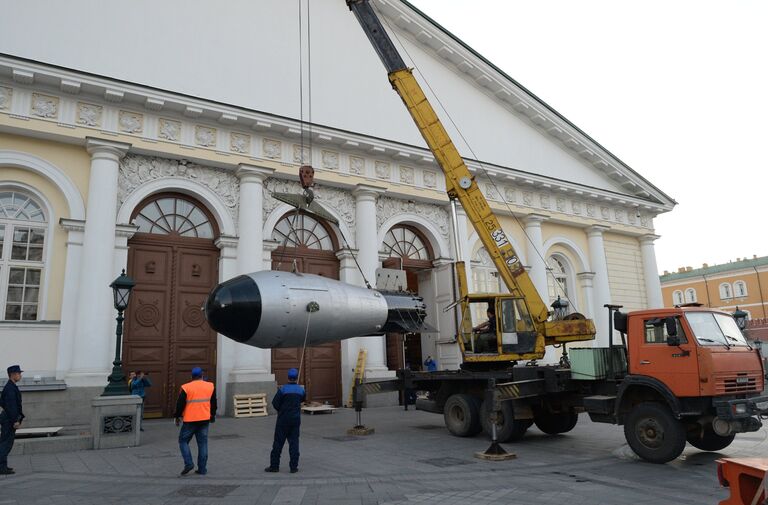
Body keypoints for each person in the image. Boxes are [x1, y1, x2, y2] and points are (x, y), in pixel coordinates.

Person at [174, 367, 216, 476]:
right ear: (202, 376)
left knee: (183, 441)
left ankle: (188, 463)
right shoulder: (210, 386)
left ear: (191, 377)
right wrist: (213, 415)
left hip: (190, 420)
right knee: (202, 444)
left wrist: (177, 416)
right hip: (204, 419)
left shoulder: (186, 387)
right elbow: (214, 403)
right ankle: (202, 469)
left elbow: (180, 404)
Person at [265, 368, 305, 474]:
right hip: (295, 420)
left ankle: (274, 466)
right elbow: (302, 399)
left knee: (278, 443)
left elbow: (275, 403)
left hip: (283, 420)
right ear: (297, 378)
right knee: (294, 443)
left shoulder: (282, 389)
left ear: (288, 377)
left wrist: (281, 410)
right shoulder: (301, 390)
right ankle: (293, 467)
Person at [0, 365, 24, 475]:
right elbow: (11, 406)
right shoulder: (10, 388)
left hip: (8, 418)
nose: (20, 375)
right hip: (9, 420)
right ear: (13, 375)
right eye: (19, 373)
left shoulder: (11, 386)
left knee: (6, 443)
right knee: (5, 443)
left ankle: (3, 466)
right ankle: (1, 467)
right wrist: (15, 420)